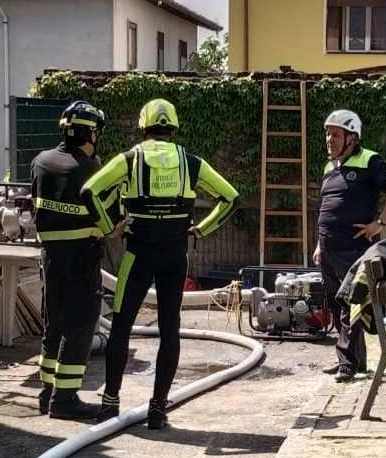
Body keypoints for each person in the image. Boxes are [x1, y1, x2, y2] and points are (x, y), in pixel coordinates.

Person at [82, 98, 239, 428]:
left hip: (138, 253)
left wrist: (109, 228)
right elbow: (231, 197)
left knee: (122, 324)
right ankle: (157, 410)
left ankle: (110, 404)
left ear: (143, 127)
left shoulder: (129, 159)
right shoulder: (190, 162)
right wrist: (202, 229)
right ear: (174, 127)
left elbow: (89, 191)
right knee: (170, 328)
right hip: (175, 255)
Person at [31, 100, 117, 420]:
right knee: (81, 325)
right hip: (81, 256)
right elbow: (111, 219)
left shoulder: (40, 162)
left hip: (49, 256)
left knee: (54, 322)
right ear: (90, 133)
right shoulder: (92, 170)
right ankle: (64, 400)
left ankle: (47, 392)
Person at [315, 109, 386, 382]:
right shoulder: (329, 167)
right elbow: (324, 209)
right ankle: (355, 360)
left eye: (336, 134)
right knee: (335, 304)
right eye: (328, 134)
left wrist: (380, 223)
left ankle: (348, 365)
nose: (330, 139)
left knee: (350, 303)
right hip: (329, 249)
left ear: (352, 138)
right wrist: (319, 245)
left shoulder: (370, 161)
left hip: (354, 249)